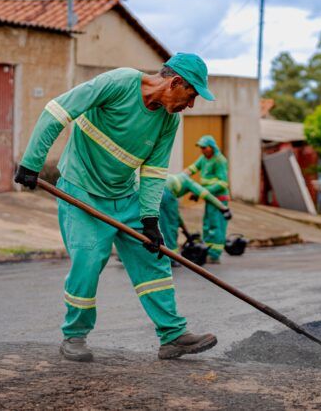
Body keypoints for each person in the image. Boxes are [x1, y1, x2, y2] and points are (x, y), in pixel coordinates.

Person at [14, 52, 218, 362]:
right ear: (175, 82)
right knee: (89, 260)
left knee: (153, 259)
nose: (190, 105)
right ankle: (75, 336)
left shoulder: (168, 121)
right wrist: (32, 161)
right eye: (191, 95)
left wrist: (150, 219)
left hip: (125, 195)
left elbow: (153, 172)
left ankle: (172, 335)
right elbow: (58, 111)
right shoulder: (119, 83)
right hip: (82, 191)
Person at [159, 172, 232, 259]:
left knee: (161, 225)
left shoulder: (177, 179)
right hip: (166, 194)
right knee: (170, 228)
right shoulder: (189, 182)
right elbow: (206, 194)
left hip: (156, 190)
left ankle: (162, 254)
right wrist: (223, 208)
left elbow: (176, 216)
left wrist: (186, 233)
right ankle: (171, 258)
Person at [183, 135, 229, 263]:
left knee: (216, 224)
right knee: (207, 224)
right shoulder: (203, 159)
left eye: (204, 147)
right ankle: (207, 250)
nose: (202, 150)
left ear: (212, 147)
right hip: (209, 198)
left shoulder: (219, 160)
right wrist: (181, 177)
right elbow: (192, 169)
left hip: (219, 198)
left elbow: (223, 183)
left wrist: (203, 192)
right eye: (201, 148)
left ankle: (215, 254)